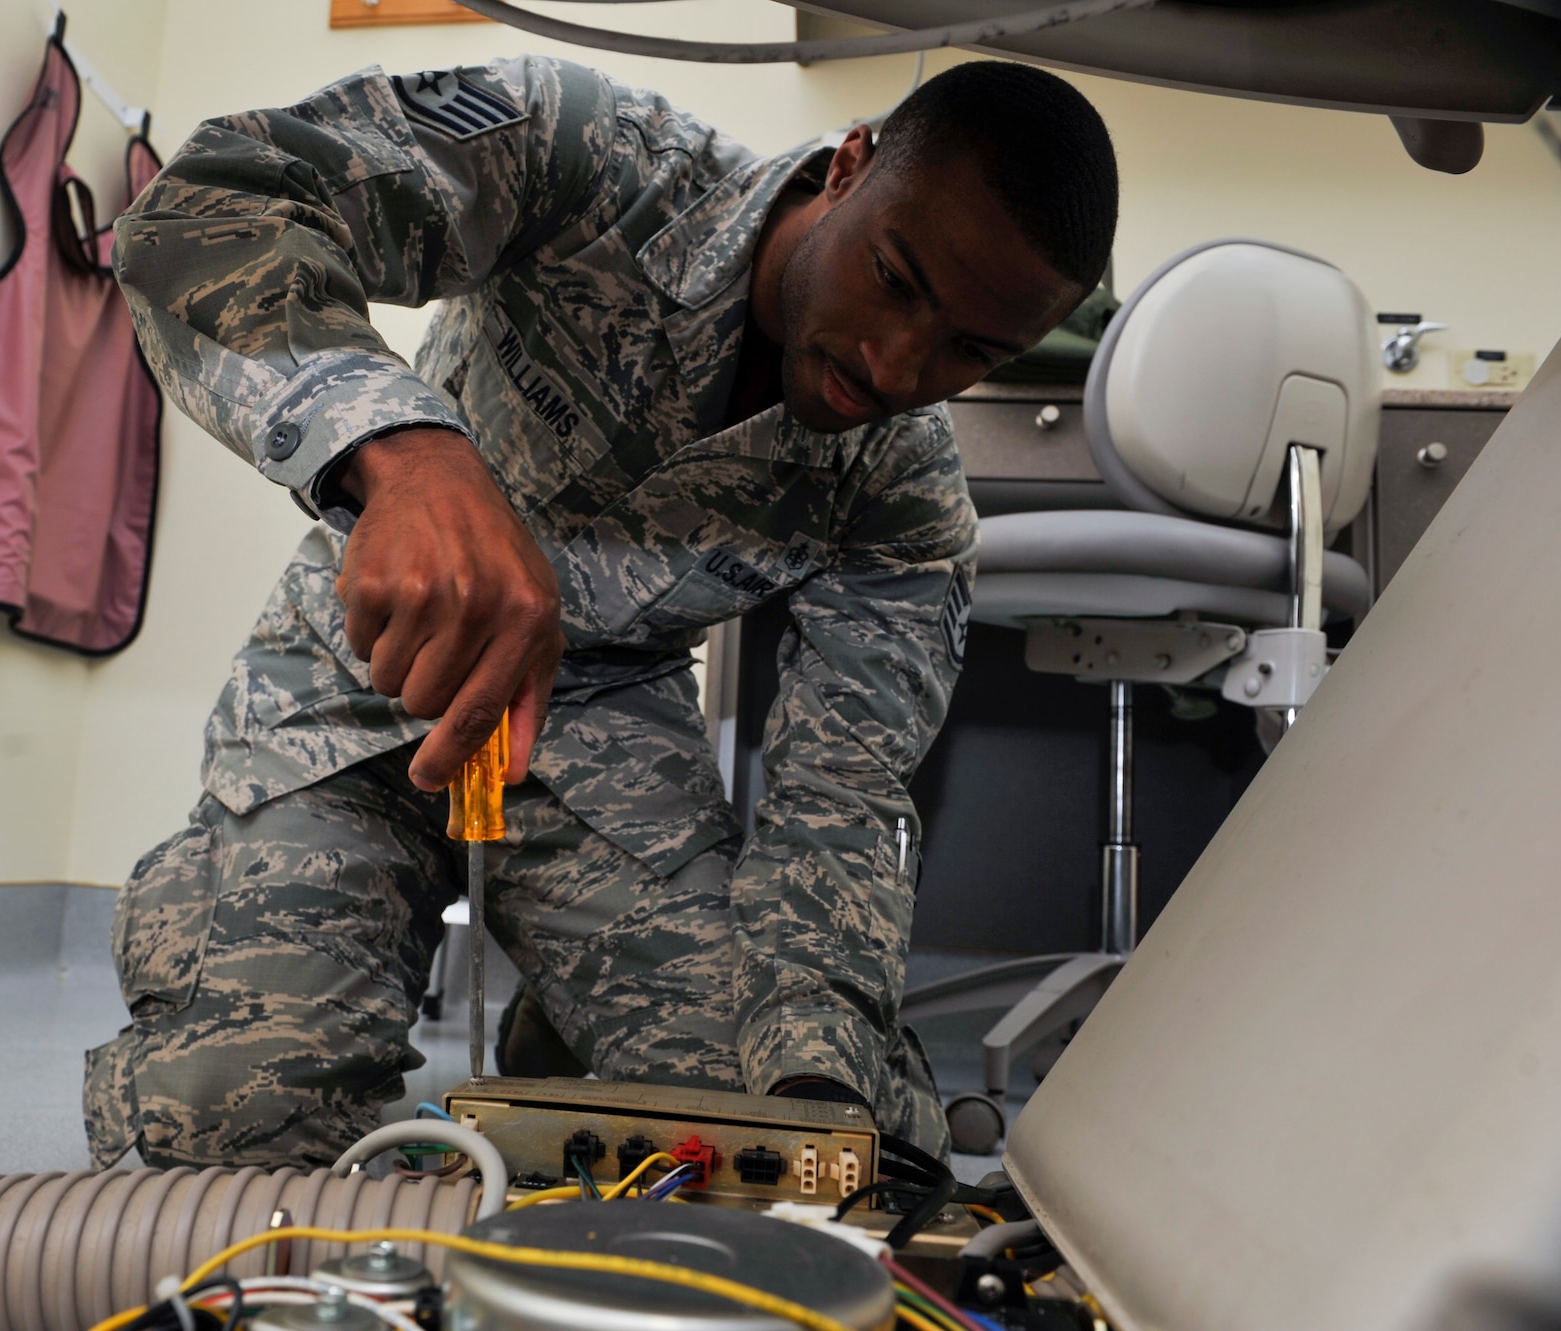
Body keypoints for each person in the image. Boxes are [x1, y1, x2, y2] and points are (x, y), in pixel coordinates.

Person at [83, 55, 1118, 1169]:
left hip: (606, 743)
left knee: (801, 1148)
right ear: (849, 163)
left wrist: (808, 1078)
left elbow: (841, 808)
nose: (896, 360)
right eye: (895, 279)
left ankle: (570, 1034)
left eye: (973, 351)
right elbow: (214, 205)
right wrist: (402, 455)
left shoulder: (904, 501)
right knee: (230, 1119)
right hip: (357, 684)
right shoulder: (588, 157)